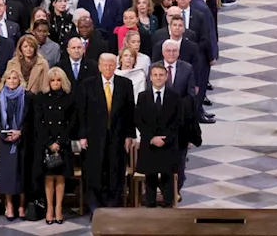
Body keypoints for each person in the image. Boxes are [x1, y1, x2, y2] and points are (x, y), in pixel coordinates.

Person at [75, 53, 136, 210]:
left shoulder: (125, 84)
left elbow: (130, 112)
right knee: (94, 172)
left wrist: (130, 135)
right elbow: (81, 111)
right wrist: (82, 135)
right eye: (105, 65)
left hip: (118, 135)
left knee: (115, 171)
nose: (108, 68)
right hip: (94, 136)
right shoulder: (88, 84)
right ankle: (96, 207)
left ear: (115, 65)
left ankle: (112, 207)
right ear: (99, 66)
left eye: (111, 65)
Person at [135, 63, 182, 207]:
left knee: (167, 174)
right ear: (150, 77)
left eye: (161, 75)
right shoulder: (143, 96)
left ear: (166, 76)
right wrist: (151, 138)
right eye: (155, 75)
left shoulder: (174, 96)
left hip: (168, 144)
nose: (158, 78)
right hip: (150, 144)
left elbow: (178, 120)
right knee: (150, 175)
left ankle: (168, 203)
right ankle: (150, 203)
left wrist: (166, 139)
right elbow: (139, 119)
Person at [34, 67, 74, 224]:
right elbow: (39, 123)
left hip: (63, 143)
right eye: (52, 80)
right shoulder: (41, 98)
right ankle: (49, 208)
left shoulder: (69, 98)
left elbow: (72, 122)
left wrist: (60, 142)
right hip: (46, 144)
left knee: (61, 177)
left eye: (58, 80)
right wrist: (50, 143)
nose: (55, 83)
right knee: (49, 177)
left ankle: (59, 208)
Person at [0, 66, 29, 220]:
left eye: (15, 78)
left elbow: (30, 119)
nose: (12, 81)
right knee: (7, 175)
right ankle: (9, 205)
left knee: (21, 173)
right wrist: (4, 135)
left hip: (22, 140)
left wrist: (20, 132)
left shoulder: (27, 96)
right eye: (9, 78)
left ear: (20, 80)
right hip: (5, 141)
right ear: (5, 80)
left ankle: (22, 205)